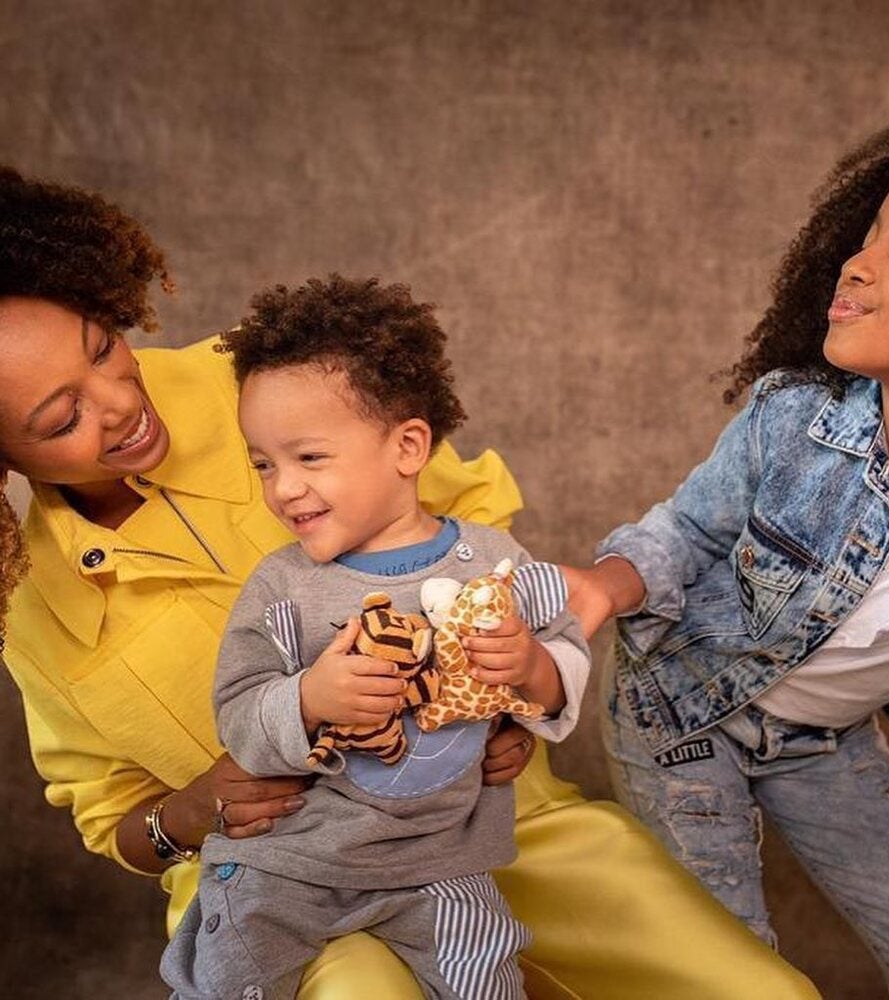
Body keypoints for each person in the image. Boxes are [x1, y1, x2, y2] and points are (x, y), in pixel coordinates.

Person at [0, 164, 819, 999]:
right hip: (284, 879)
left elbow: (483, 555)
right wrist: (183, 818)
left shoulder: (273, 378)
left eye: (104, 346)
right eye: (61, 420)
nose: (118, 401)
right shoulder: (30, 606)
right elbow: (110, 814)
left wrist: (515, 695)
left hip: (493, 819)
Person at [564, 120, 889, 1000]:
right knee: (738, 976)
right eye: (865, 238)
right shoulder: (791, 419)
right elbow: (682, 535)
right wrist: (600, 590)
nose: (858, 264)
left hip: (823, 743)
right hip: (679, 714)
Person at [160, 273, 589, 999]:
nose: (282, 488)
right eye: (263, 464)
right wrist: (308, 698)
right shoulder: (280, 587)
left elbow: (565, 652)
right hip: (284, 865)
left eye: (309, 458)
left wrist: (534, 668)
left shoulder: (491, 561)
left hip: (438, 864)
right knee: (226, 980)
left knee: (487, 978)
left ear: (408, 446)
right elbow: (238, 716)